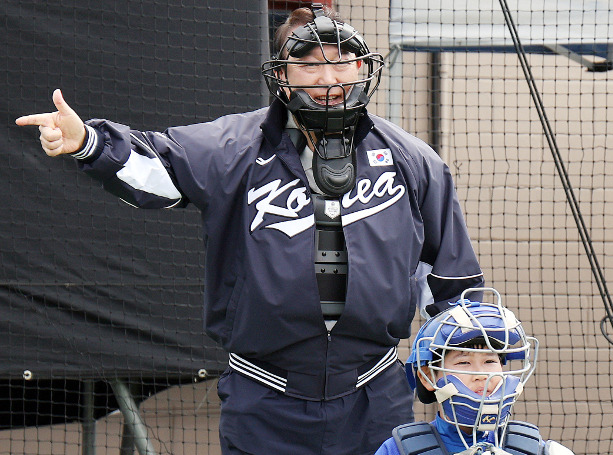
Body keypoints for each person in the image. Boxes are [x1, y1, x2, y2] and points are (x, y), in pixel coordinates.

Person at [15, 4, 484, 454]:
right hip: (264, 400)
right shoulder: (232, 149)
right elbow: (156, 167)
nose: (329, 79)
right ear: (281, 74)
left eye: (342, 62)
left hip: (374, 397)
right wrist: (88, 143)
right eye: (310, 66)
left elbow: (454, 288)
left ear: (363, 67)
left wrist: (462, 379)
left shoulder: (414, 162)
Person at [375, 288, 574, 455]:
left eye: (489, 361)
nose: (481, 374)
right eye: (464, 363)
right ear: (427, 376)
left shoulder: (536, 449)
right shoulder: (398, 450)